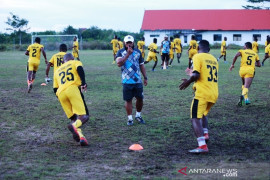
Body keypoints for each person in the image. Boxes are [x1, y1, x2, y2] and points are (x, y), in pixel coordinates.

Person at [179, 40, 218, 154]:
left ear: (197, 48)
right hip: (213, 92)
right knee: (203, 114)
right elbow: (203, 74)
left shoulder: (197, 56)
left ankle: (202, 146)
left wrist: (188, 81)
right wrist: (191, 74)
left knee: (195, 118)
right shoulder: (214, 59)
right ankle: (205, 134)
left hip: (202, 93)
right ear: (208, 49)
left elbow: (197, 75)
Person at [54, 53, 89, 146]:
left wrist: (62, 99)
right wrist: (83, 83)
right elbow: (80, 69)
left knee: (73, 117)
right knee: (84, 116)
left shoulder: (57, 70)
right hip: (72, 89)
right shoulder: (75, 62)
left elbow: (54, 89)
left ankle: (81, 137)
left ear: (63, 61)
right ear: (72, 58)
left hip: (60, 93)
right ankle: (73, 126)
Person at [116, 35, 148, 126]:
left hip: (138, 80)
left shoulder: (138, 52)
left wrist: (145, 77)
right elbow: (119, 63)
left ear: (133, 42)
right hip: (127, 81)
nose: (129, 44)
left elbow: (142, 65)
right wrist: (127, 54)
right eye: (127, 43)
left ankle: (138, 115)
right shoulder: (120, 52)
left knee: (140, 98)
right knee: (128, 100)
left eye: (130, 42)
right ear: (124, 43)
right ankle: (130, 119)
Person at [229, 42, 261, 106]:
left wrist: (232, 64)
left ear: (246, 46)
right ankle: (242, 97)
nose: (243, 47)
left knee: (244, 84)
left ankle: (246, 99)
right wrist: (254, 64)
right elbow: (259, 65)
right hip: (250, 71)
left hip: (242, 70)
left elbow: (236, 56)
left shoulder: (242, 51)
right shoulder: (255, 53)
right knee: (247, 86)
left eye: (244, 46)